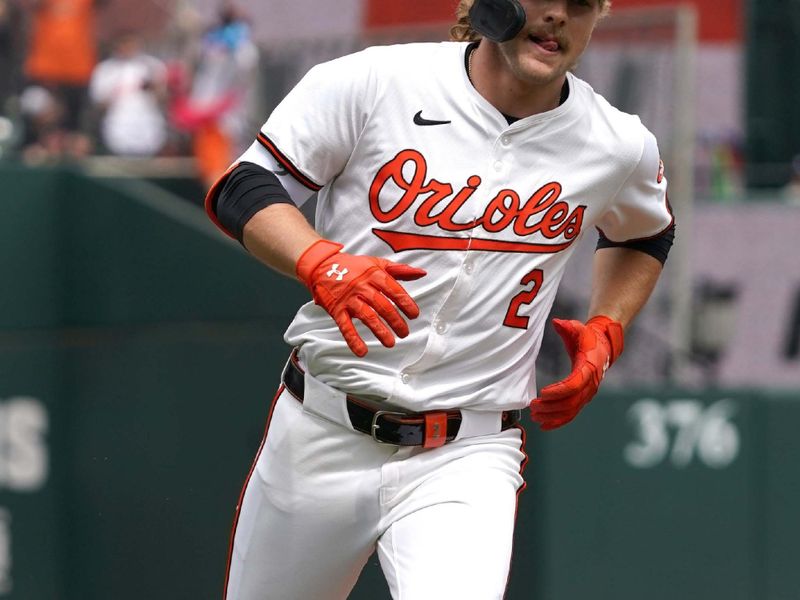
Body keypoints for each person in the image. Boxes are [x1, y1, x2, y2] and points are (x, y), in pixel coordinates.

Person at [204, 0, 676, 598]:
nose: (557, 14)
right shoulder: (376, 81)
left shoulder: (616, 142)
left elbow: (647, 231)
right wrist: (318, 260)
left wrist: (608, 327)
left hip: (468, 453)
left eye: (580, 3)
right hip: (319, 429)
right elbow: (243, 187)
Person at [88, 32, 168, 157]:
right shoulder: (105, 69)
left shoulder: (153, 65)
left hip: (148, 120)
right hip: (118, 121)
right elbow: (99, 102)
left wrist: (154, 87)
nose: (128, 48)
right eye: (124, 44)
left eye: (131, 44)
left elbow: (163, 97)